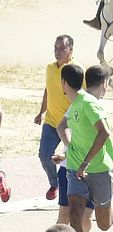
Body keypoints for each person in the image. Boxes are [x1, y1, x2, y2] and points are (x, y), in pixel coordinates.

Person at [56, 65, 113, 232]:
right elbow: (65, 129)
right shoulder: (75, 103)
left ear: (63, 83)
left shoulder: (88, 103)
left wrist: (85, 162)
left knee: (104, 224)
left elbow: (104, 132)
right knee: (75, 219)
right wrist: (68, 151)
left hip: (99, 169)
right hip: (75, 170)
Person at [34, 35, 78, 200]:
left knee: (74, 157)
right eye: (56, 48)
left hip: (70, 124)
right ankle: (55, 184)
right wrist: (41, 112)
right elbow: (48, 90)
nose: (58, 51)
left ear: (70, 50)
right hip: (51, 121)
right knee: (44, 155)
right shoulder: (50, 68)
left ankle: (76, 186)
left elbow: (83, 96)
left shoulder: (76, 69)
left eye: (62, 48)